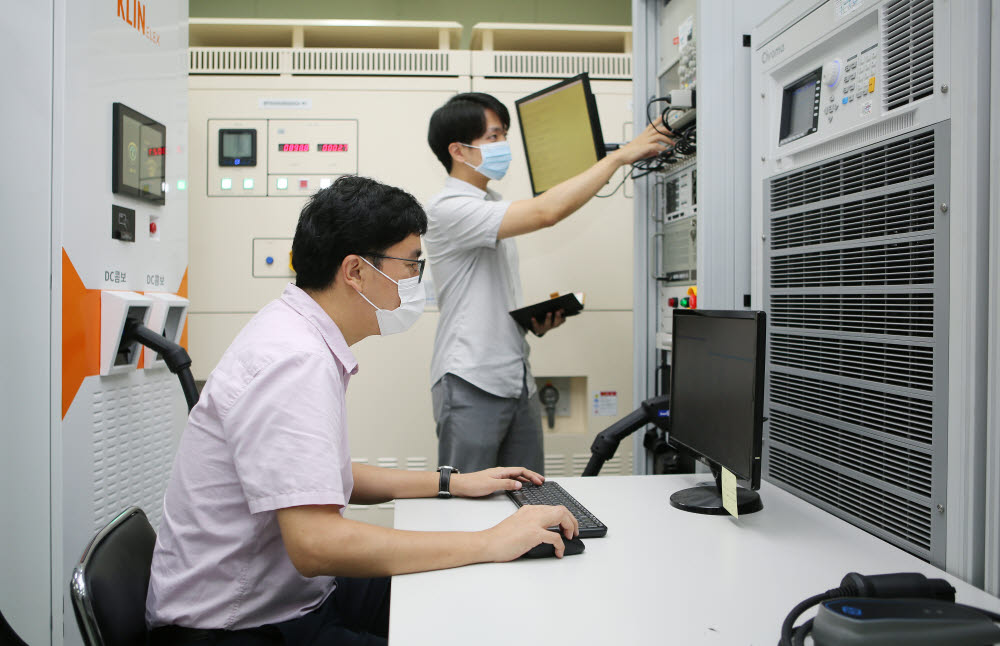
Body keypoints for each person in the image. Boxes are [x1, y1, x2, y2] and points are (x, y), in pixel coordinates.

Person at [145, 176, 579, 646]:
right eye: (411, 264)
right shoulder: (294, 360)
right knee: (470, 590)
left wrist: (452, 482)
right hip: (235, 627)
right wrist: (488, 541)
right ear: (355, 271)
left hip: (289, 596)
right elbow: (316, 544)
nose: (417, 281)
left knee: (464, 597)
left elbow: (320, 474)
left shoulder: (295, 333)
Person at [424, 92, 672, 475]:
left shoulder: (489, 203)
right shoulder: (447, 208)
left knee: (529, 495)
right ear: (458, 150)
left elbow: (486, 296)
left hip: (515, 378)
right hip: (471, 377)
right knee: (465, 503)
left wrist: (530, 322)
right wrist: (620, 156)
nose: (503, 145)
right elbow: (546, 212)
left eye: (504, 134)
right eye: (493, 137)